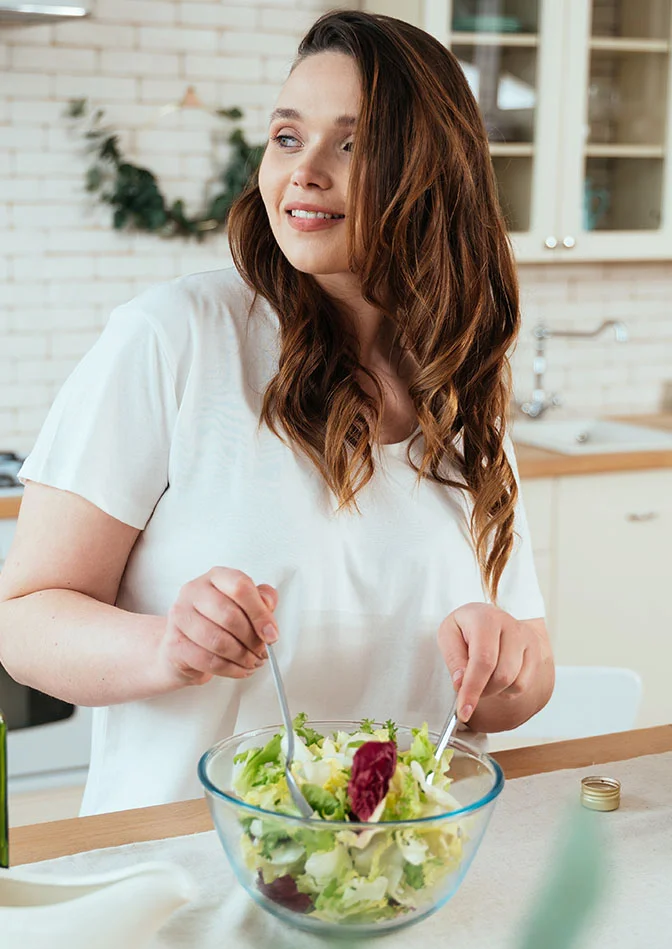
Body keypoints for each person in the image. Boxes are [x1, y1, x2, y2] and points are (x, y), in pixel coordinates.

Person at [0, 10, 554, 816]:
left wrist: (506, 665)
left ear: (434, 173)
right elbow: (22, 623)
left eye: (352, 144)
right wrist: (168, 645)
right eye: (288, 138)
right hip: (181, 885)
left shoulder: (458, 377)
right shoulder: (175, 338)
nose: (304, 173)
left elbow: (523, 676)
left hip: (398, 884)